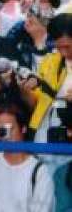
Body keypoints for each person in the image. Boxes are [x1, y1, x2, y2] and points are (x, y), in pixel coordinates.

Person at [28, 14, 72, 142]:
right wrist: (24, 90)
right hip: (46, 130)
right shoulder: (49, 61)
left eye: (67, 47)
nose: (63, 52)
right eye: (59, 46)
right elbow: (36, 99)